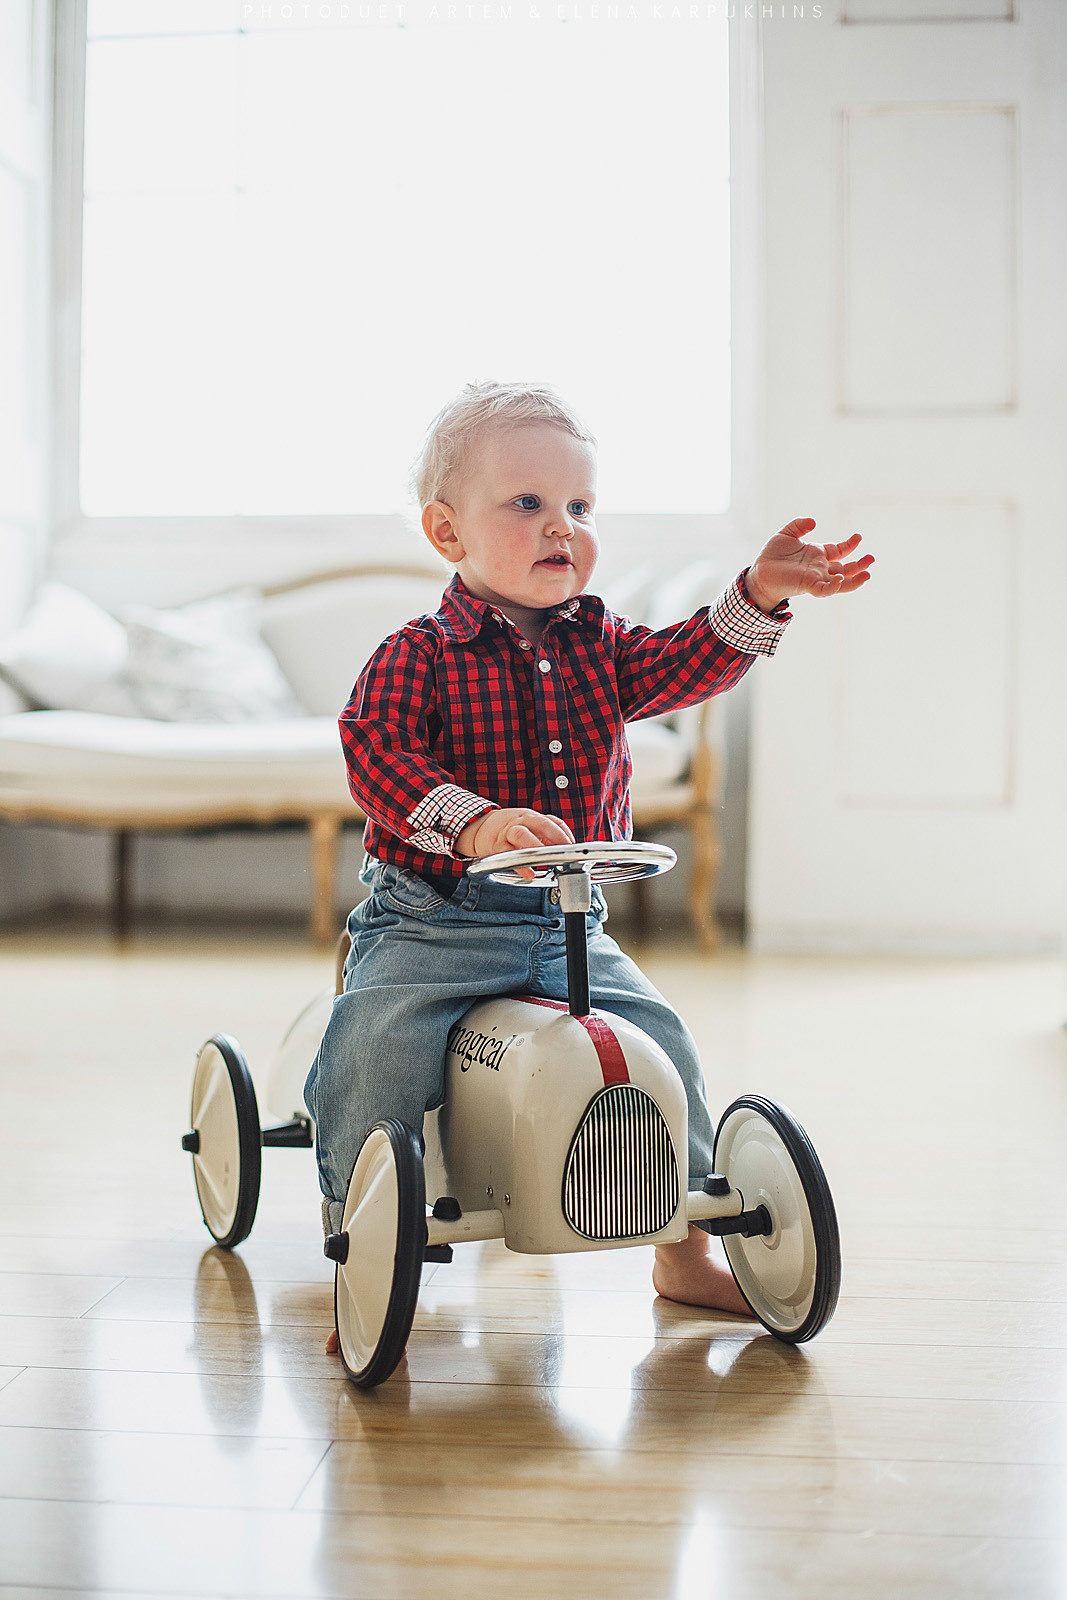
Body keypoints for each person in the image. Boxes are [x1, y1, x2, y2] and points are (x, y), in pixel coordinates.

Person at [304, 381, 873, 1347]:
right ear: (447, 531)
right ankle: (361, 1246)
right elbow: (378, 755)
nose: (560, 526)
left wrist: (760, 594)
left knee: (663, 1049)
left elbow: (690, 659)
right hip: (434, 922)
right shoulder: (418, 654)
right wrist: (474, 823)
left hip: (568, 922)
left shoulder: (599, 646)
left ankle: (681, 1248)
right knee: (376, 1054)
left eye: (579, 505)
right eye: (526, 503)